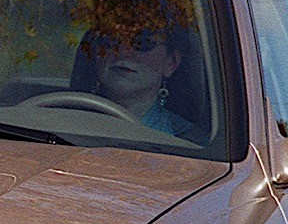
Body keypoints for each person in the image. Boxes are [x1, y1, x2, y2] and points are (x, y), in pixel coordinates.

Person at [70, 27, 201, 140]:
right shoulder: (61, 123)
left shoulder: (190, 142)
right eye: (111, 39)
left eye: (143, 42)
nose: (123, 51)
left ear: (171, 63)